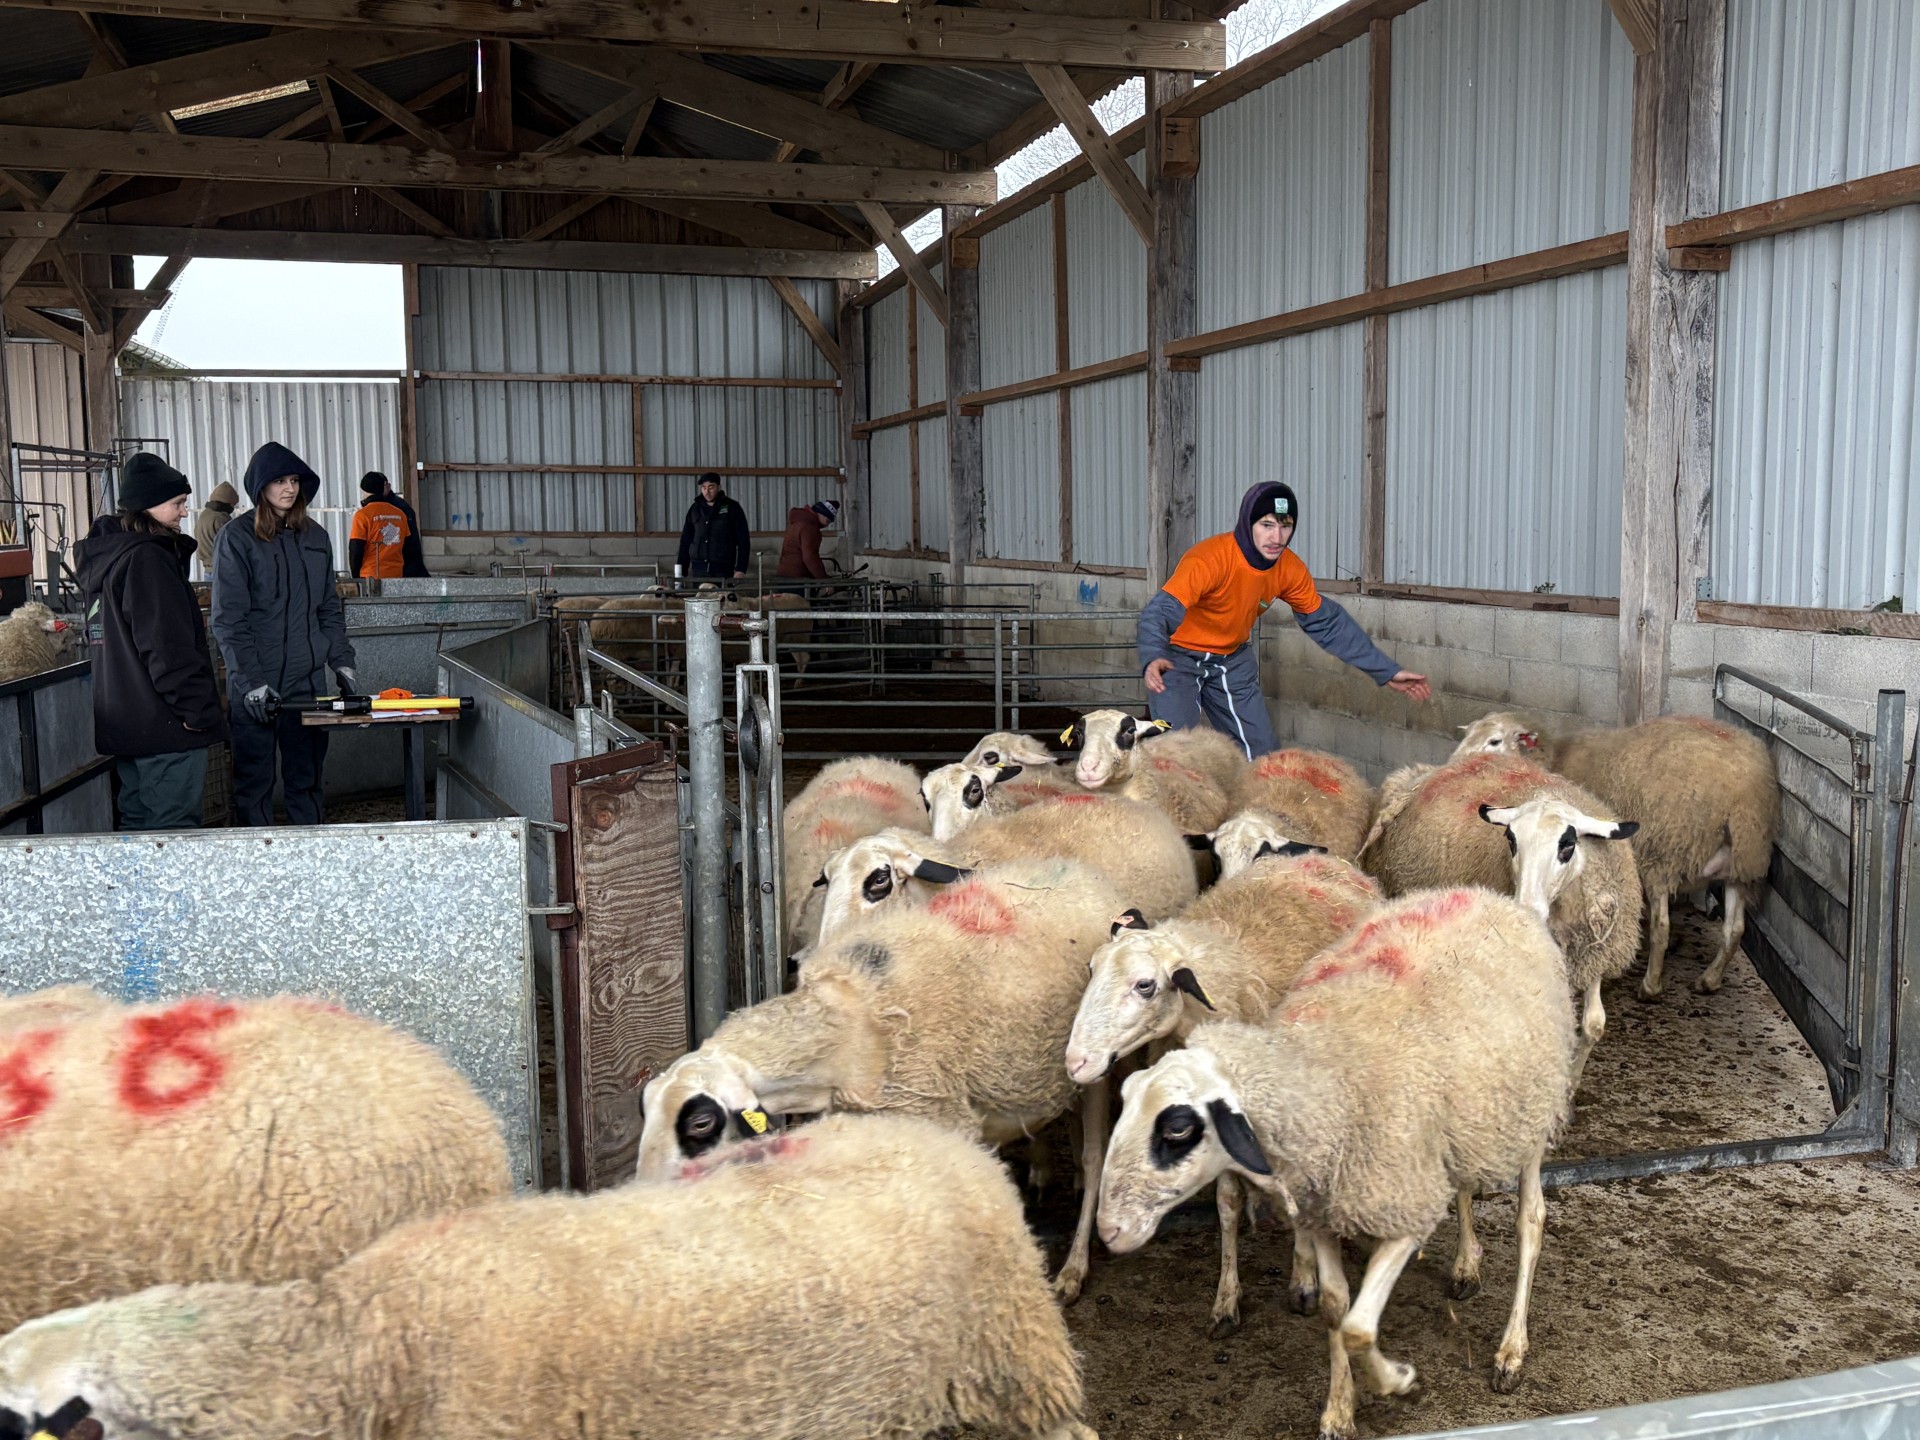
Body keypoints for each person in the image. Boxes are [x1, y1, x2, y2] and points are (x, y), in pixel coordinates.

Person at [1137, 480, 1431, 759]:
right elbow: (1159, 612)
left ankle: (1255, 811)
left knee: (1262, 754)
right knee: (1171, 751)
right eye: (1266, 525)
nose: (1276, 538)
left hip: (1231, 659)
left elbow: (1328, 624)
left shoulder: (1289, 569)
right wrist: (1153, 656)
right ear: (1247, 523)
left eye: (1285, 526)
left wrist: (1386, 670)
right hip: (1177, 658)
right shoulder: (1209, 560)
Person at [74, 453, 228, 831]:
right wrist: (195, 710)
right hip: (167, 730)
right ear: (148, 505)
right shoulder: (148, 560)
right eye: (176, 503)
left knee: (137, 827)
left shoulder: (109, 559)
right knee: (171, 836)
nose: (184, 512)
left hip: (127, 726)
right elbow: (165, 646)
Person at [210, 441, 359, 827]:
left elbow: (328, 607)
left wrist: (342, 661)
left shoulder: (316, 538)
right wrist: (250, 682)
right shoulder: (238, 539)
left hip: (306, 685)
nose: (289, 488)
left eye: (294, 480)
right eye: (279, 480)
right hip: (256, 685)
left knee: (306, 779)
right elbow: (229, 619)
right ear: (261, 487)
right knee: (254, 782)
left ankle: (309, 859)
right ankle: (256, 865)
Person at [676, 472, 750, 582]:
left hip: (723, 569)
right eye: (704, 488)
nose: (707, 491)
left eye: (711, 487)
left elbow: (743, 540)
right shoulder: (695, 509)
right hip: (698, 569)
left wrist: (741, 569)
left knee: (722, 599)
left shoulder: (732, 507)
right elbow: (685, 541)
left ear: (719, 487)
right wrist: (681, 571)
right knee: (701, 598)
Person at [360, 470, 429, 577]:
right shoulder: (400, 508)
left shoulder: (397, 509)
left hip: (393, 571)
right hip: (399, 569)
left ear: (387, 487)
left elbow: (409, 544)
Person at [348, 472, 413, 580]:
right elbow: (408, 548)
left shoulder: (362, 515)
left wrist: (355, 577)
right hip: (397, 577)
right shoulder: (400, 514)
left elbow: (356, 549)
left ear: (364, 490)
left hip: (370, 577)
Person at [775, 497, 839, 593]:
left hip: (784, 575)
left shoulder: (798, 522)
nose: (828, 523)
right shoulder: (810, 527)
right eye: (828, 519)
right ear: (821, 514)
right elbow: (810, 557)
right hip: (798, 579)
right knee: (802, 606)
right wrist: (824, 580)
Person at [193, 480, 239, 576]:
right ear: (228, 503)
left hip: (208, 569)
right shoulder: (222, 518)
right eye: (232, 505)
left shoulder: (204, 515)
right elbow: (232, 545)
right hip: (222, 570)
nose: (233, 508)